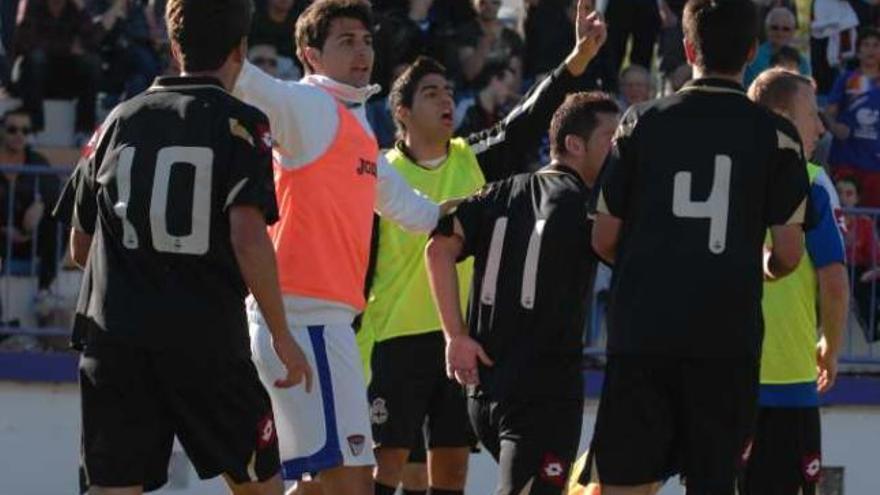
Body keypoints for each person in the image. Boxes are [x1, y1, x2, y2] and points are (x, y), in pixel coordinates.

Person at [53, 0, 312, 493]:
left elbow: (78, 246)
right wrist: (281, 334)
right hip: (207, 340)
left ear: (174, 47)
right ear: (240, 50)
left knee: (113, 487)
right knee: (259, 485)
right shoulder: (243, 124)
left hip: (116, 339)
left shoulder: (116, 121)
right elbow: (248, 236)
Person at [362, 6, 607, 493]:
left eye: (450, 91)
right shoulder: (379, 173)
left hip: (461, 344)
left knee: (450, 471)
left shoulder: (471, 158)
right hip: (394, 340)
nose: (446, 99)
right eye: (431, 93)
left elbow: (530, 119)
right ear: (402, 112)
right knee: (388, 470)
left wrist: (575, 61)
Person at [585, 1, 809, 493]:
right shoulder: (778, 135)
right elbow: (790, 253)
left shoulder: (639, 122)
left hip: (643, 331)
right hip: (726, 337)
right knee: (713, 482)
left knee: (625, 482)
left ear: (688, 49)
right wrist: (759, 266)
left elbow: (602, 237)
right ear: (753, 52)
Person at [231, 0, 447, 493]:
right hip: (302, 326)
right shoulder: (308, 105)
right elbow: (243, 77)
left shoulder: (356, 124)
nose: (362, 51)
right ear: (310, 54)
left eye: (367, 40)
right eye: (346, 41)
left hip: (324, 327)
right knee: (349, 484)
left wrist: (476, 212)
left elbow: (414, 211)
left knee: (318, 485)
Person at [425, 91, 620, 495]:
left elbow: (438, 246)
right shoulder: (585, 206)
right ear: (574, 144)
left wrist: (455, 336)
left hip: (484, 391)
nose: (618, 149)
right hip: (541, 392)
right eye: (610, 138)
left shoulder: (499, 191)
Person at [743, 68, 849, 495]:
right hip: (787, 378)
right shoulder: (810, 182)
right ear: (783, 117)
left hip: (723, 375)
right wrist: (832, 348)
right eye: (812, 115)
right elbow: (836, 283)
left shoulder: (730, 178)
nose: (821, 126)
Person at [11, 0, 104, 140]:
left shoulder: (75, 7)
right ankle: (34, 128)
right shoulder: (31, 4)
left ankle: (84, 131)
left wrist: (82, 10)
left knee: (92, 62)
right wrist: (67, 48)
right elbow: (26, 42)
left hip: (64, 75)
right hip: (35, 74)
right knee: (37, 58)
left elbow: (93, 41)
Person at [826, 28, 880, 207]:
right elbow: (828, 114)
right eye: (866, 45)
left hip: (875, 166)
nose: (871, 50)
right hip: (845, 161)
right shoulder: (846, 78)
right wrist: (835, 127)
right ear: (858, 51)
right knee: (843, 220)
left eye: (876, 45)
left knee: (871, 226)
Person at [836, 175, 880, 341]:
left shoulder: (865, 222)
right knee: (856, 281)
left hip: (860, 270)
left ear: (856, 199)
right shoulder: (828, 219)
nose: (842, 198)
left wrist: (874, 271)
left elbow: (876, 256)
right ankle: (871, 329)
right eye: (839, 192)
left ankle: (873, 326)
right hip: (835, 268)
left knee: (866, 280)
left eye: (849, 194)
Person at [744, 6, 811, 87]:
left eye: (786, 29)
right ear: (766, 29)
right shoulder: (753, 57)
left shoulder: (802, 61)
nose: (780, 33)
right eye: (775, 28)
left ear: (793, 31)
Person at [454, 59, 517, 137]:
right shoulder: (465, 106)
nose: (508, 93)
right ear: (495, 80)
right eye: (507, 86)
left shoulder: (502, 117)